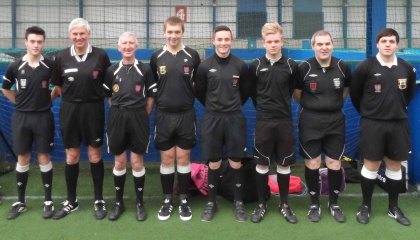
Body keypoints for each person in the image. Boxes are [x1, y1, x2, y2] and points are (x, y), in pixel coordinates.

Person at [350, 28, 416, 226]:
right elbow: (355, 95)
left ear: (397, 44)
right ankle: (366, 206)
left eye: (392, 41)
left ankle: (393, 207)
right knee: (371, 165)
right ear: (377, 44)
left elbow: (408, 95)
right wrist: (370, 113)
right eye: (384, 41)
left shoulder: (406, 68)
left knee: (395, 166)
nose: (388, 44)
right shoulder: (365, 66)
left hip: (398, 124)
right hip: (373, 124)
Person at [50, 18, 111, 220]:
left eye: (82, 33)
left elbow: (108, 83)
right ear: (70, 36)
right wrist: (71, 98)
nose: (79, 37)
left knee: (94, 155)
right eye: (75, 34)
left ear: (88, 34)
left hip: (94, 109)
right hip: (69, 110)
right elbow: (58, 86)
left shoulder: (101, 56)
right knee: (72, 156)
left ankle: (99, 200)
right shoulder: (60, 57)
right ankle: (71, 201)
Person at [293, 30, 351, 223]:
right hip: (310, 120)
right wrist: (315, 106)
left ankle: (333, 203)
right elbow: (297, 94)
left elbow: (345, 91)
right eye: (320, 44)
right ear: (313, 46)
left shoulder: (343, 67)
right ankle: (314, 203)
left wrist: (330, 105)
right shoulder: (304, 67)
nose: (324, 47)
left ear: (333, 45)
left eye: (327, 43)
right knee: (313, 163)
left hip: (335, 120)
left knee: (334, 163)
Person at [196, 25, 251, 222]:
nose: (223, 43)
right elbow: (200, 92)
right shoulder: (204, 66)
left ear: (231, 41)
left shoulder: (240, 65)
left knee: (236, 161)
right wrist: (215, 108)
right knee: (214, 161)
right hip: (212, 118)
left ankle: (238, 201)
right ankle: (212, 202)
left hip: (235, 117)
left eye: (227, 39)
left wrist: (231, 107)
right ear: (213, 41)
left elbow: (245, 93)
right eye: (219, 39)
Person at [149, 16, 201, 221]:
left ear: (182, 32)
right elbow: (152, 87)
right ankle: (167, 200)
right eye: (170, 32)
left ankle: (184, 200)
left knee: (183, 159)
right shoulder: (156, 56)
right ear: (164, 33)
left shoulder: (192, 55)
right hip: (163, 116)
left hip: (186, 116)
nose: (173, 36)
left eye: (177, 32)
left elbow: (199, 84)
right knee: (167, 159)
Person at [248, 22, 300, 224]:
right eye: (269, 41)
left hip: (284, 121)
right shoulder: (255, 65)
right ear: (264, 42)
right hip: (264, 122)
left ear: (282, 41)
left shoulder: (291, 65)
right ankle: (261, 205)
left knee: (284, 163)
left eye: (276, 41)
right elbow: (253, 94)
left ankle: (285, 204)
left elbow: (291, 91)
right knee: (262, 163)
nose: (273, 45)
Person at [2, 26, 55, 220]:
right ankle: (21, 202)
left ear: (43, 43)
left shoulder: (50, 66)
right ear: (26, 42)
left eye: (39, 42)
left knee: (44, 157)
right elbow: (6, 88)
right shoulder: (15, 66)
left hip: (43, 117)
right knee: (22, 158)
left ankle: (48, 201)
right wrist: (18, 102)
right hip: (21, 118)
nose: (35, 45)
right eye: (32, 41)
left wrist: (50, 98)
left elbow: (58, 86)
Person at [104, 32, 157, 221]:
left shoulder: (145, 70)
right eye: (124, 43)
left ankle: (139, 203)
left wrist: (142, 115)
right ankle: (119, 203)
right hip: (117, 117)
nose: (127, 46)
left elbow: (151, 97)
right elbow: (109, 97)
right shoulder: (111, 71)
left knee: (136, 162)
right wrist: (120, 112)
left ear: (136, 46)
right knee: (119, 162)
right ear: (119, 47)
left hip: (139, 117)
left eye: (131, 43)